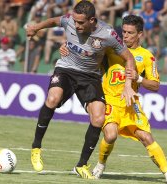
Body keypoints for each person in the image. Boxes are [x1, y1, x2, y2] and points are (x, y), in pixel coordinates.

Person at [26, 0, 137, 179]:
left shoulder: (108, 34)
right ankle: (36, 147)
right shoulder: (69, 20)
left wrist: (128, 85)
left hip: (90, 77)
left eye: (80, 23)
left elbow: (129, 58)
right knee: (53, 99)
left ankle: (81, 165)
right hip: (66, 69)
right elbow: (54, 21)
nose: (75, 25)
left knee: (99, 117)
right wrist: (35, 28)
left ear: (92, 20)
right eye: (74, 22)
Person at [88, 15, 167, 184]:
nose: (125, 36)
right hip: (110, 100)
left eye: (130, 33)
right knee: (110, 135)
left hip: (131, 104)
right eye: (123, 32)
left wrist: (138, 79)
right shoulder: (110, 49)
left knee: (147, 137)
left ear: (140, 34)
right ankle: (100, 165)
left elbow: (155, 85)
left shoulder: (147, 57)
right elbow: (91, 55)